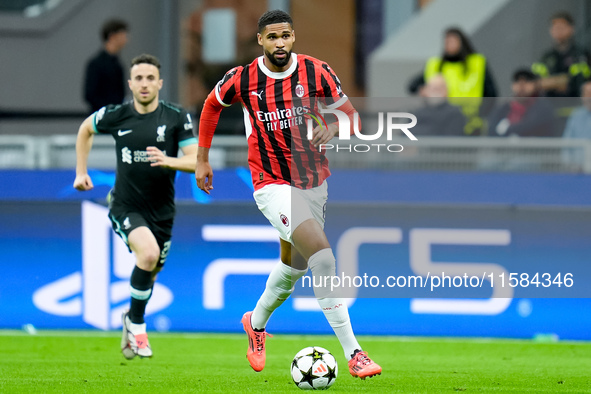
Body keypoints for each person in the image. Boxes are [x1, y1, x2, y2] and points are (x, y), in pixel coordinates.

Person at [195, 10, 382, 380]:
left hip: (313, 182)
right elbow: (211, 105)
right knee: (323, 257)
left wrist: (333, 126)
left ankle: (255, 323)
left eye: (285, 35)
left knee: (293, 268)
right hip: (271, 183)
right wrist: (202, 159)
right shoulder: (244, 78)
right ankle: (355, 354)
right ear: (261, 41)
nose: (279, 43)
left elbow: (353, 118)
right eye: (272, 37)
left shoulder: (317, 71)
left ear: (293, 37)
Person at [74, 54, 197, 359]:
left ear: (160, 83)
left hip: (162, 212)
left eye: (150, 78)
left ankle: (129, 320)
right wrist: (81, 171)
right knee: (149, 253)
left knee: (150, 272)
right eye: (139, 78)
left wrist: (169, 160)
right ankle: (139, 326)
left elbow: (196, 161)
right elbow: (85, 130)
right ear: (130, 84)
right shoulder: (117, 115)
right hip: (125, 205)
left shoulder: (176, 117)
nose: (144, 84)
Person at [409, 27, 497, 136]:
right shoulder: (436, 66)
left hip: (471, 124)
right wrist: (424, 91)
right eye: (447, 42)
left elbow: (491, 94)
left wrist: (481, 114)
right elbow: (412, 86)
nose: (449, 45)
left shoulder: (476, 63)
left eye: (453, 41)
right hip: (441, 122)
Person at [532, 12, 590, 98]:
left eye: (562, 26)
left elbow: (583, 81)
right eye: (555, 27)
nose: (558, 30)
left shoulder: (582, 54)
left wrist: (555, 82)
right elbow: (536, 83)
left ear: (571, 28)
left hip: (577, 103)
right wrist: (559, 82)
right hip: (552, 104)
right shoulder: (545, 57)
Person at [487, 69, 555, 137]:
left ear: (535, 85)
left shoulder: (542, 107)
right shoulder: (503, 107)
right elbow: (492, 130)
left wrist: (507, 129)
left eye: (527, 81)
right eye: (517, 81)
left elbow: (531, 126)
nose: (522, 85)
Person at [83, 19, 129, 114]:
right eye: (122, 35)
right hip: (102, 119)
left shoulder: (117, 63)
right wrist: (109, 110)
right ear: (112, 36)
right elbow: (90, 95)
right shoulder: (96, 64)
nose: (126, 39)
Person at [561, 80, 591, 169]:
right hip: (577, 171)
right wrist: (569, 164)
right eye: (587, 93)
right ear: (582, 97)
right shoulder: (576, 115)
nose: (589, 97)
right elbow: (566, 143)